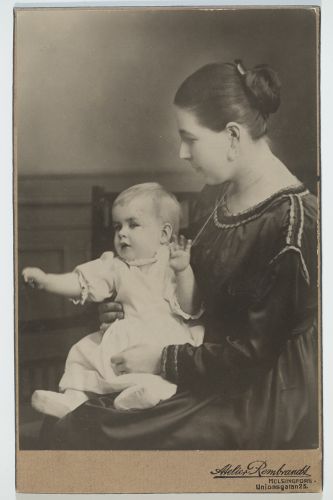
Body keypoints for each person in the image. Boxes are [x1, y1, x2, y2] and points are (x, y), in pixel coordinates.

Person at [39, 59, 318, 450]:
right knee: (68, 424)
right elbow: (182, 284)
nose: (182, 152)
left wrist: (161, 359)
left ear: (233, 136)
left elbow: (254, 359)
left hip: (259, 394)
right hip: (196, 358)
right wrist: (131, 306)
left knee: (88, 433)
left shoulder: (294, 223)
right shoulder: (214, 196)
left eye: (190, 138)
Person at [22, 183, 203, 417]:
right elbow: (81, 283)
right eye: (118, 226)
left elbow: (188, 307)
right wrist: (47, 281)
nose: (122, 233)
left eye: (133, 224)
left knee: (158, 368)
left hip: (161, 336)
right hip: (124, 332)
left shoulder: (173, 262)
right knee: (83, 351)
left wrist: (184, 271)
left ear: (164, 234)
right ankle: (74, 399)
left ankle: (141, 394)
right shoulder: (114, 266)